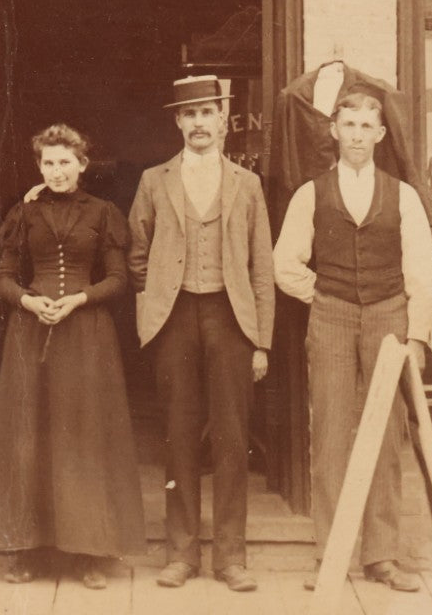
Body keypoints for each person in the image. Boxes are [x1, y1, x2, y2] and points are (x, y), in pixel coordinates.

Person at [273, 92, 432, 593]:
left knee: (386, 435)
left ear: (381, 134)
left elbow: (422, 273)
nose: (358, 136)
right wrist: (322, 295)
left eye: (367, 127)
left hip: (389, 315)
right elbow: (284, 265)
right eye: (349, 125)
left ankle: (381, 556)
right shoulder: (311, 194)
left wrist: (416, 335)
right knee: (330, 434)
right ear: (334, 131)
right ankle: (331, 554)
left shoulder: (403, 196)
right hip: (332, 318)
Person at [0, 123, 144, 588]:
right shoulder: (24, 213)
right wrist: (29, 301)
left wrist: (79, 299)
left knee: (84, 438)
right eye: (48, 163)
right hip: (31, 333)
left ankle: (89, 553)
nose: (56, 171)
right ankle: (28, 551)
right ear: (39, 166)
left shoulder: (103, 212)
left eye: (64, 162)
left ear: (82, 164)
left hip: (87, 335)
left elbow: (118, 279)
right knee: (30, 435)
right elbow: (2, 278)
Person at [127, 75, 275, 592]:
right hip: (174, 318)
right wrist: (156, 306)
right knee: (179, 434)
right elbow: (137, 254)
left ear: (223, 118)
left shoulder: (247, 184)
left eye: (207, 113)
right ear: (177, 121)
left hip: (231, 318)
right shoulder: (154, 180)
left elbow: (262, 268)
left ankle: (230, 557)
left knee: (232, 438)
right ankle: (181, 553)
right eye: (189, 114)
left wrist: (261, 341)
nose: (198, 123)